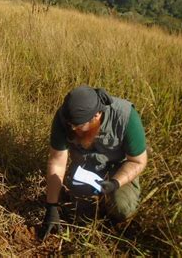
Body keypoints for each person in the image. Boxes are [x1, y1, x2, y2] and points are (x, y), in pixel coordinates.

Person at [39, 85, 148, 240]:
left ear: (96, 115)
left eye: (78, 126)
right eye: (70, 124)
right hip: (84, 170)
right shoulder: (65, 117)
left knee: (122, 207)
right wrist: (52, 206)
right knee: (82, 216)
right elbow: (57, 162)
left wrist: (115, 183)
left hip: (118, 170)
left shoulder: (125, 117)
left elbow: (138, 162)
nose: (72, 129)